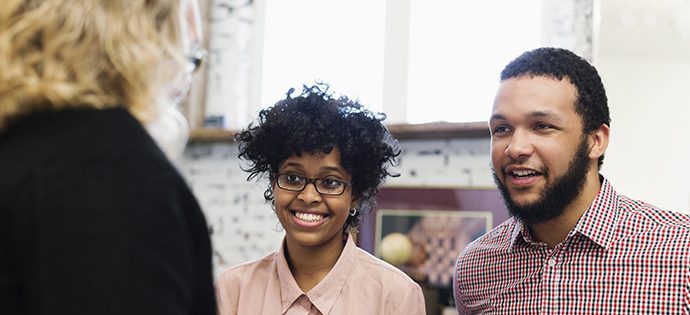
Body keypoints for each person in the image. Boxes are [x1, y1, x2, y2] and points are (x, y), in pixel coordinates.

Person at [453, 47, 690, 314]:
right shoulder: (475, 267)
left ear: (595, 141)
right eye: (502, 129)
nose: (515, 147)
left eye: (542, 126)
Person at [0, 0, 216, 314]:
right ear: (142, 35)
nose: (184, 79)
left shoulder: (24, 148)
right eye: (186, 53)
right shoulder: (103, 171)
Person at [214, 84, 426, 315]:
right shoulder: (232, 290)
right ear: (274, 183)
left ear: (355, 194)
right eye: (293, 177)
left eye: (330, 182)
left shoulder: (396, 296)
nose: (308, 196)